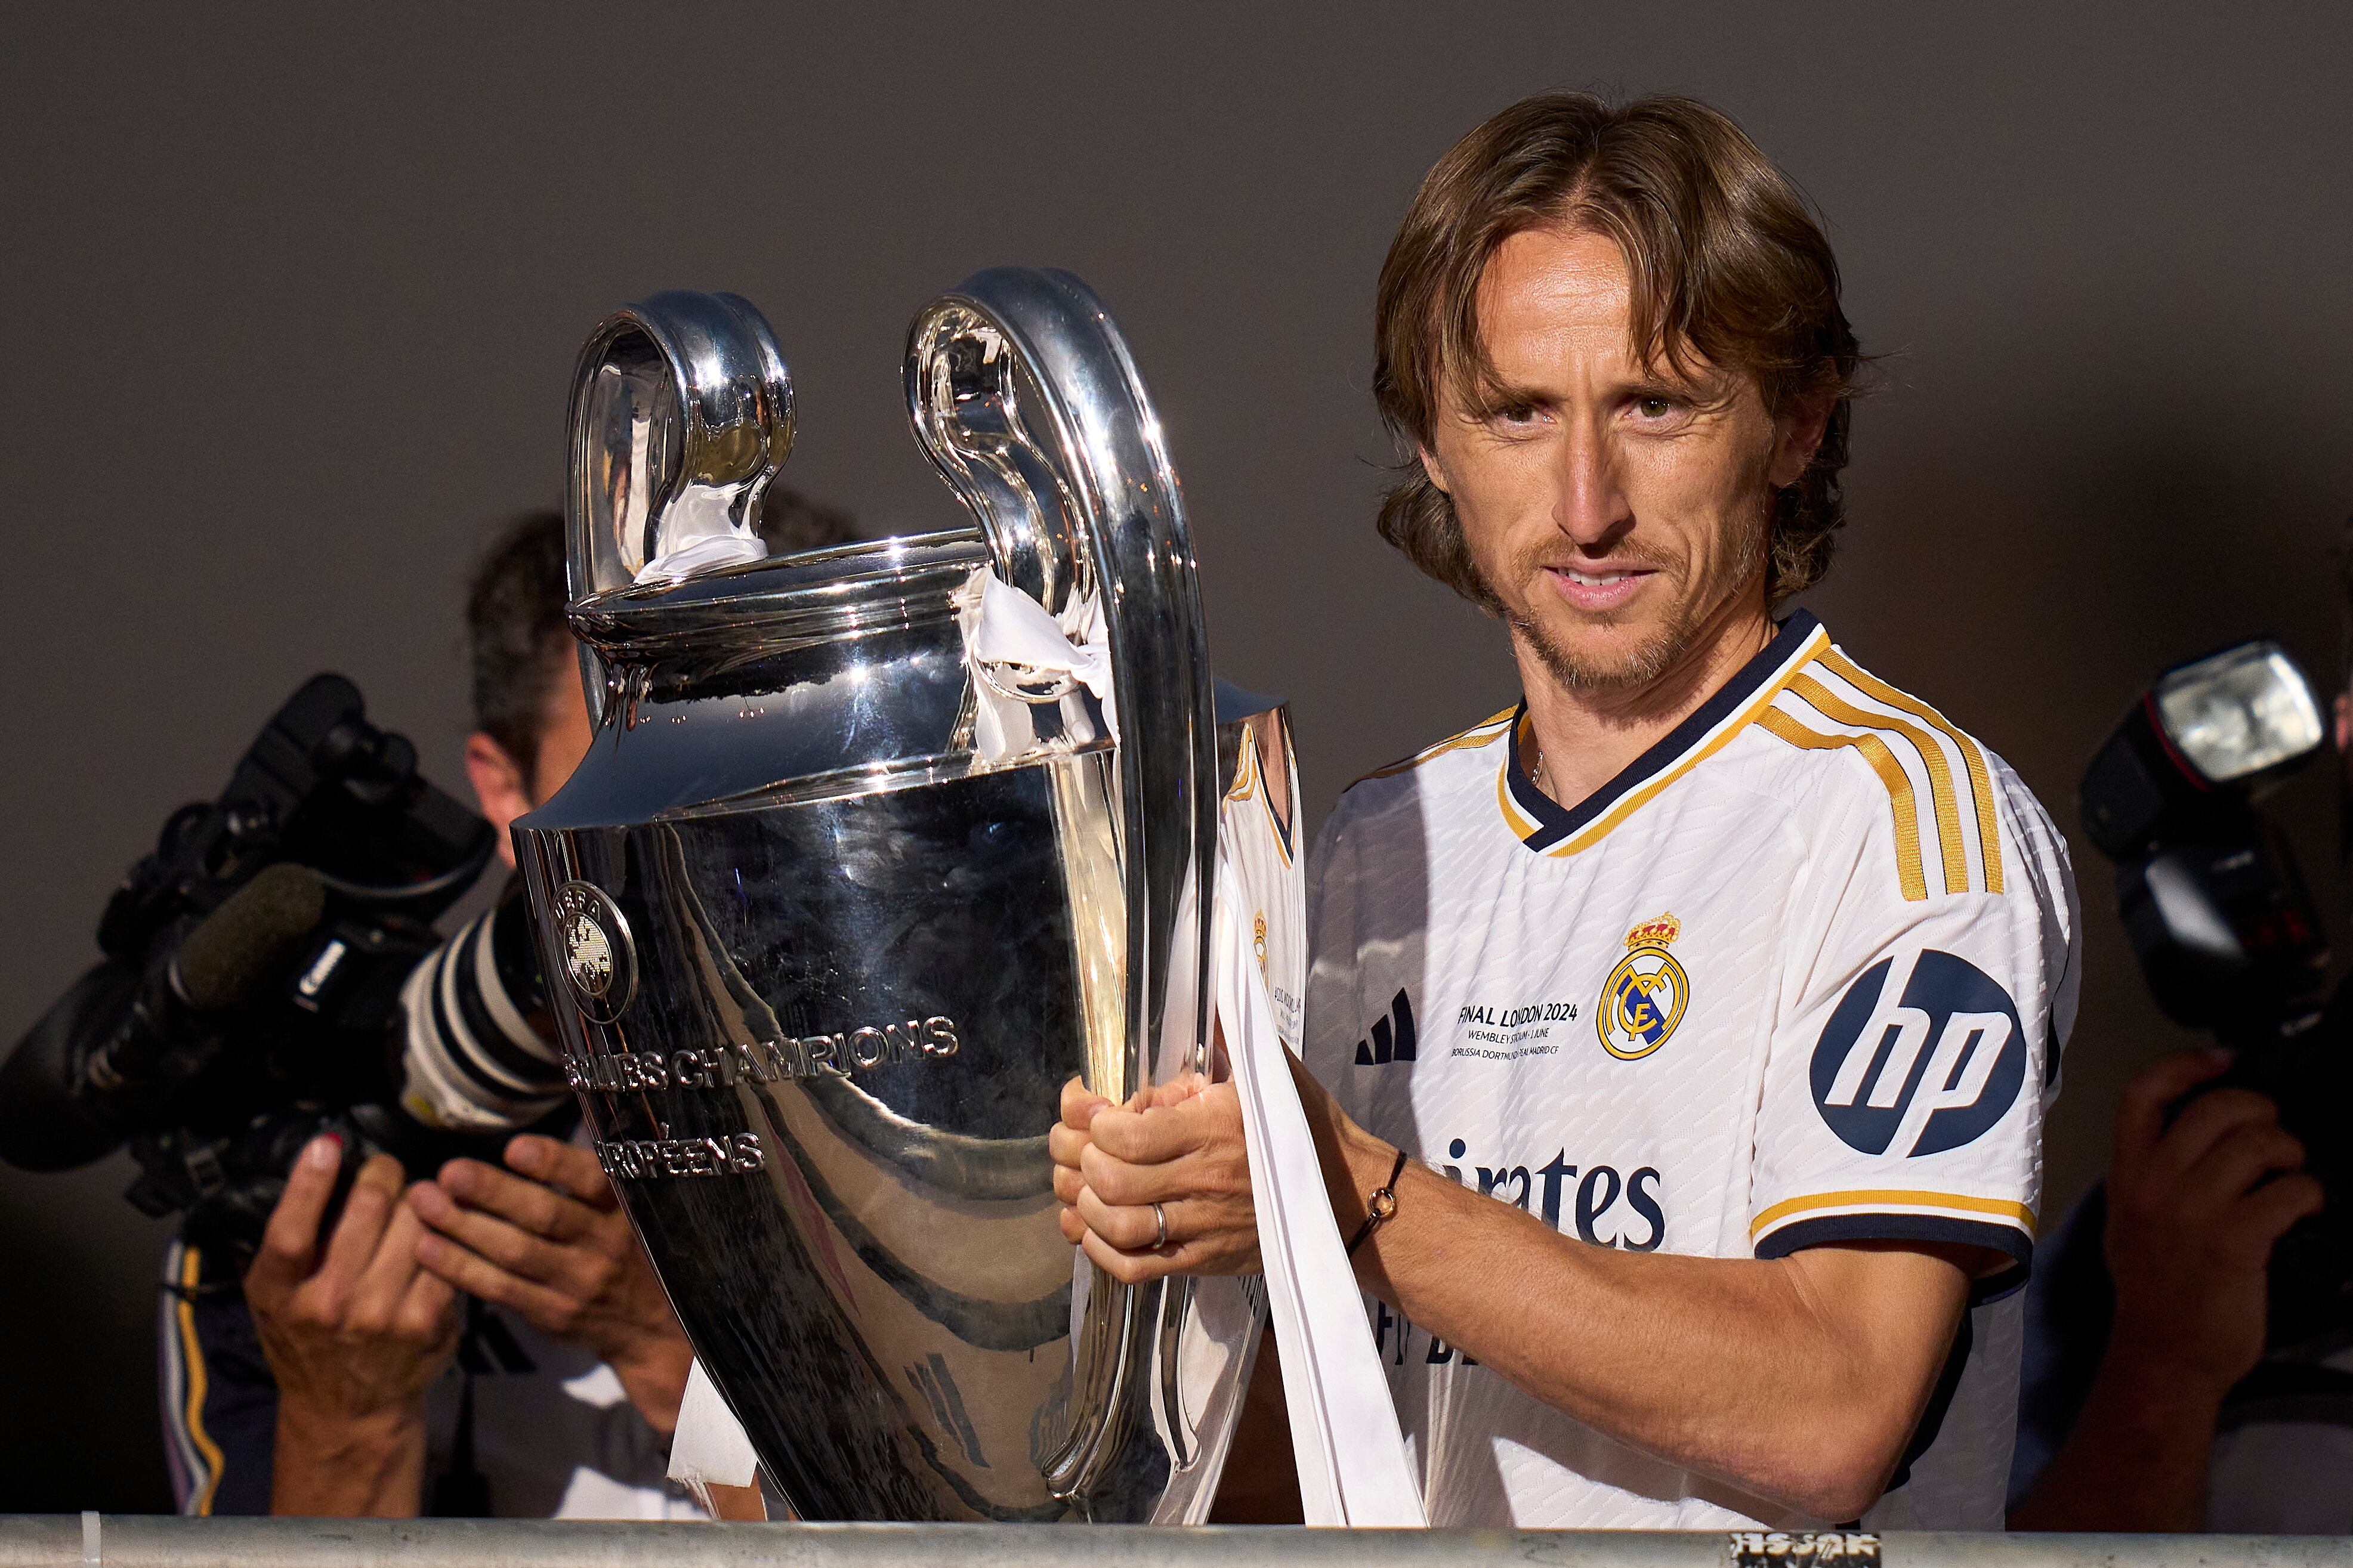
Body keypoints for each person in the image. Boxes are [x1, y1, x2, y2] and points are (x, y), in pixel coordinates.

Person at [1052, 92, 2079, 1530]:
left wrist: (1354, 1196)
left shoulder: (1901, 819)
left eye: (1654, 406)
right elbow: (1334, 1460)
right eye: (1519, 413)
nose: (1586, 503)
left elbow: (1835, 1408)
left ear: (1794, 424)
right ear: (1430, 439)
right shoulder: (1363, 848)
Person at [162, 491, 860, 1518]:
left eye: (777, 788)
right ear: (503, 790)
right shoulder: (309, 1185)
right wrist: (348, 1419)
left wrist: (678, 1344)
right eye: (634, 780)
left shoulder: (986, 1106)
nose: (705, 862)